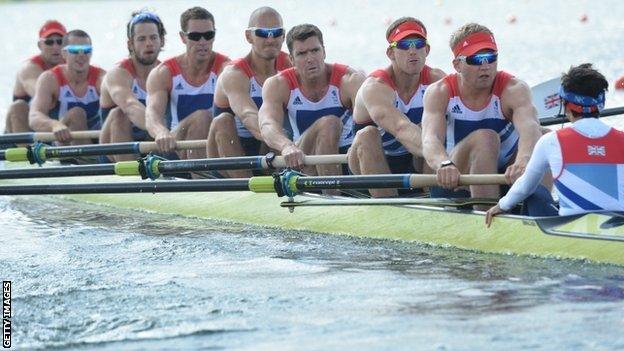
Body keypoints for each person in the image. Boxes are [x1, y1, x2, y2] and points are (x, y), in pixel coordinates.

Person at [486, 64, 624, 225]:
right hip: (617, 223)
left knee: (535, 191)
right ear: (601, 103)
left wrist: (502, 205)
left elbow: (525, 187)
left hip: (570, 225)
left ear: (565, 105)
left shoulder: (551, 141)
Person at [421, 23, 542, 207]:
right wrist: (443, 164)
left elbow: (531, 129)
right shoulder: (440, 92)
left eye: (491, 57)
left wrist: (523, 160)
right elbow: (430, 139)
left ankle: (540, 210)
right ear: (457, 65)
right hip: (455, 178)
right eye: (476, 59)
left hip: (506, 173)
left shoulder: (514, 88)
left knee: (546, 138)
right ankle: (486, 214)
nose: (485, 66)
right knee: (486, 138)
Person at [348, 17, 445, 197]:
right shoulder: (375, 87)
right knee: (367, 135)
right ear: (391, 53)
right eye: (404, 45)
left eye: (418, 44)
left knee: (433, 129)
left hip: (415, 160)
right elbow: (401, 128)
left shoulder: (437, 81)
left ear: (427, 49)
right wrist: (442, 159)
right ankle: (387, 205)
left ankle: (436, 199)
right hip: (369, 164)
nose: (412, 51)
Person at [258, 23, 365, 177]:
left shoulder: (350, 80)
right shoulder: (278, 84)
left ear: (324, 52)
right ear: (291, 59)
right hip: (303, 157)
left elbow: (370, 125)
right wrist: (286, 146)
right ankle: (333, 196)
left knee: (339, 127)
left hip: (347, 155)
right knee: (329, 123)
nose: (310, 59)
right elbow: (267, 126)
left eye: (315, 51)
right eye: (302, 54)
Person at [208, 6, 291, 178]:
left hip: (267, 147)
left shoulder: (291, 65)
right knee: (222, 120)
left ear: (283, 36)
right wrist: (284, 143)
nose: (270, 39)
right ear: (249, 36)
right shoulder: (234, 74)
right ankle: (244, 184)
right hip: (231, 150)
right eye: (262, 33)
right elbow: (247, 115)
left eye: (276, 32)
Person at [145, 6, 229, 159]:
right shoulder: (164, 73)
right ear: (183, 37)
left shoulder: (226, 69)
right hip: (175, 145)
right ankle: (203, 178)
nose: (203, 42)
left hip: (212, 145)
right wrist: (161, 132)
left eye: (209, 35)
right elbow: (151, 115)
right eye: (195, 36)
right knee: (202, 117)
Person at [99, 11, 166, 162]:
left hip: (152, 142)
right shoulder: (117, 74)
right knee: (119, 113)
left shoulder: (166, 73)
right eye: (141, 39)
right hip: (113, 150)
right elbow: (129, 106)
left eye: (153, 38)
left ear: (162, 41)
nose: (148, 43)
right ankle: (130, 175)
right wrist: (161, 131)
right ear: (130, 44)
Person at [29, 29, 105, 144]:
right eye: (74, 50)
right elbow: (34, 116)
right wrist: (54, 125)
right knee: (76, 113)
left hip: (96, 138)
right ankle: (87, 158)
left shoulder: (102, 77)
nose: (81, 55)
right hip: (64, 140)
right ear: (64, 53)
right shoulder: (50, 78)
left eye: (86, 50)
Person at [6, 20, 67, 134]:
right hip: (24, 127)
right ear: (40, 45)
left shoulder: (74, 65)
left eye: (60, 41)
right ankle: (25, 150)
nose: (55, 47)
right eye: (49, 42)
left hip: (56, 127)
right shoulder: (29, 69)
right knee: (18, 107)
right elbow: (45, 97)